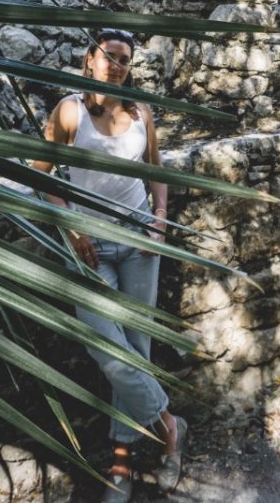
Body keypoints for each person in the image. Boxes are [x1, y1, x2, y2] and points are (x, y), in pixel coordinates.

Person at [34, 29, 186, 502]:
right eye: (110, 56)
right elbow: (39, 175)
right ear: (90, 59)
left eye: (125, 59)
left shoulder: (141, 112)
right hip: (91, 246)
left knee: (135, 348)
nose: (117, 65)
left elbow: (157, 172)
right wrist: (73, 228)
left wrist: (159, 223)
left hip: (139, 240)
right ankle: (169, 425)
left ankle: (120, 462)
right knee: (107, 346)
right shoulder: (69, 111)